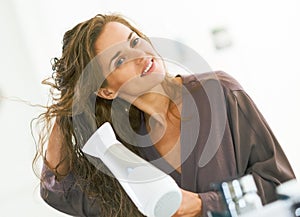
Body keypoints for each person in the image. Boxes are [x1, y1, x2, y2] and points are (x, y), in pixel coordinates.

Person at [33, 13, 296, 217]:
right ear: (107, 91)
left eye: (134, 41)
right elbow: (57, 190)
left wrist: (202, 204)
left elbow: (281, 184)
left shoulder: (219, 92)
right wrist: (68, 105)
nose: (140, 55)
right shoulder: (126, 149)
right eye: (120, 60)